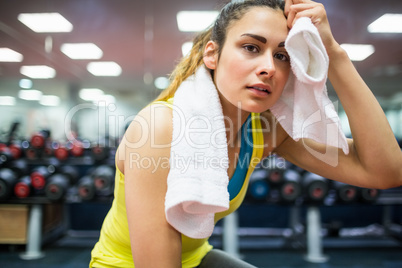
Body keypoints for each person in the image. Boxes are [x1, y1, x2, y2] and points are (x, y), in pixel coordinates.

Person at [89, 0, 402, 267]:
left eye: (282, 56)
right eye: (251, 47)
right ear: (211, 55)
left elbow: (385, 171)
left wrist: (334, 54)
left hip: (197, 258)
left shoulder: (264, 132)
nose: (269, 67)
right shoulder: (160, 128)